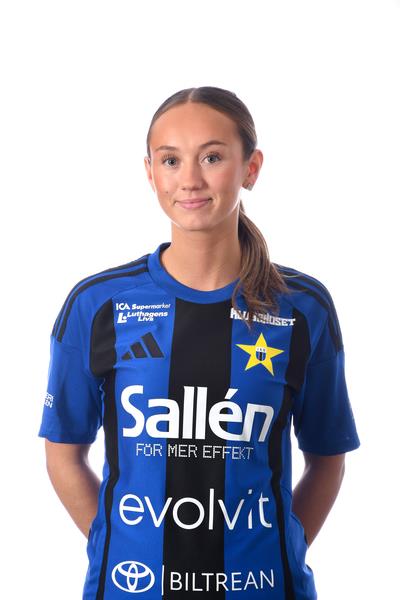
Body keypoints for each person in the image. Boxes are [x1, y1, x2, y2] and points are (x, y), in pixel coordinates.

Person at [38, 85, 360, 600]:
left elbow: (327, 457)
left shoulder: (302, 307)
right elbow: (63, 452)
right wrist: (116, 545)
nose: (189, 179)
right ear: (150, 172)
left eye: (212, 157)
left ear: (250, 168)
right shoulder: (98, 304)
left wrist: (280, 549)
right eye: (171, 160)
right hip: (131, 588)